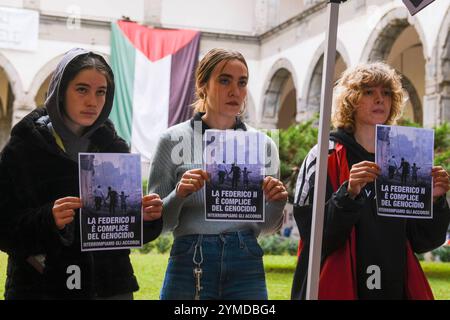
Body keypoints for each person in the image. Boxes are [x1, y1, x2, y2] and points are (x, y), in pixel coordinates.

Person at [0, 48, 163, 300]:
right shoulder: (22, 150)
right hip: (42, 289)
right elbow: (4, 228)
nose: (93, 101)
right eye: (82, 89)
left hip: (110, 289)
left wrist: (145, 218)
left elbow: (124, 235)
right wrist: (47, 220)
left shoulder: (115, 149)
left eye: (101, 92)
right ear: (60, 91)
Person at [291, 62, 450, 300]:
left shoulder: (404, 155)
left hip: (394, 284)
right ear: (351, 100)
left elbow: (422, 239)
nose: (380, 99)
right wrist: (349, 194)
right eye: (369, 92)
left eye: (386, 93)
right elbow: (313, 237)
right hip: (340, 284)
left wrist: (435, 201)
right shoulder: (325, 154)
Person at [148, 48, 288, 300]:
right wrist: (179, 194)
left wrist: (277, 203)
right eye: (225, 80)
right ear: (203, 85)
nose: (235, 90)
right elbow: (159, 225)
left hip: (246, 261)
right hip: (190, 260)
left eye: (242, 82)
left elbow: (266, 227)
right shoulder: (171, 140)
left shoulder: (263, 146)